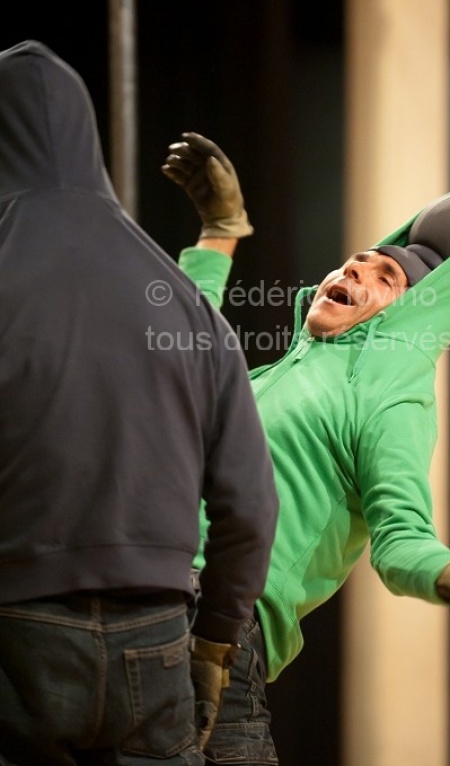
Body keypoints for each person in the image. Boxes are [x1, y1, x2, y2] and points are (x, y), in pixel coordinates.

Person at [163, 131, 450, 765]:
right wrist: (219, 231)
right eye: (357, 260)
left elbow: (401, 535)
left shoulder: (391, 397)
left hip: (218, 640)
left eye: (387, 276)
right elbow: (175, 358)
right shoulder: (275, 375)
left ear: (416, 314)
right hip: (143, 610)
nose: (353, 269)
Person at [0, 42, 278, 765]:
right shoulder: (180, 297)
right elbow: (250, 504)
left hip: (16, 622)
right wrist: (214, 642)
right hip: (158, 633)